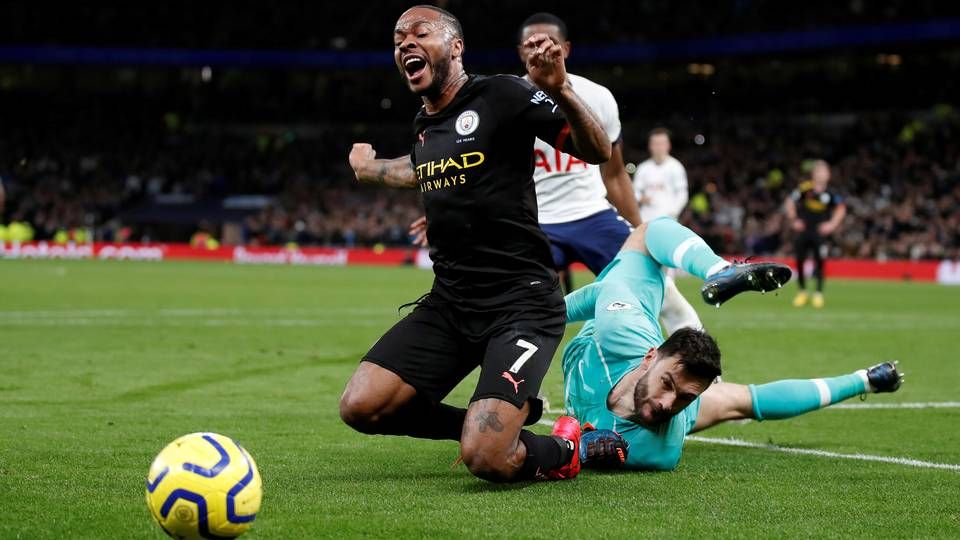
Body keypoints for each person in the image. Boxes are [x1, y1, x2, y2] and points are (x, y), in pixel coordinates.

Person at [341, 5, 616, 483]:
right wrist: (370, 170)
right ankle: (490, 426)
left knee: (487, 459)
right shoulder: (425, 126)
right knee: (361, 407)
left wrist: (560, 88)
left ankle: (569, 448)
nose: (405, 42)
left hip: (521, 302)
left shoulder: (502, 94)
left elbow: (597, 151)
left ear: (455, 46)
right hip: (451, 303)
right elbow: (420, 168)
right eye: (397, 38)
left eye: (419, 32)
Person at [562, 217, 903, 471]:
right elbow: (602, 292)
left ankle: (867, 379)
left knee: (743, 401)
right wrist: (542, 318)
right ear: (650, 358)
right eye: (668, 385)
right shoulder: (622, 328)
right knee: (647, 233)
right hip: (621, 322)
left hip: (634, 354)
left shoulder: (659, 447)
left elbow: (561, 454)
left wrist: (580, 452)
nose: (668, 403)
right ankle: (718, 269)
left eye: (685, 398)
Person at [518, 13, 639, 295]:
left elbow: (616, 174)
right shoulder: (505, 102)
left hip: (592, 214)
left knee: (653, 281)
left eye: (549, 44)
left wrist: (640, 231)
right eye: (531, 46)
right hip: (535, 220)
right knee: (525, 303)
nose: (540, 52)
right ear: (520, 52)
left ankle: (691, 340)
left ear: (566, 49)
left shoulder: (597, 96)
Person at [632, 127, 703, 331]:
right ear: (650, 146)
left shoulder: (675, 167)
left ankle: (666, 310)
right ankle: (648, 306)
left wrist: (671, 214)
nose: (658, 147)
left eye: (662, 143)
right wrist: (640, 198)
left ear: (668, 145)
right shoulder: (644, 168)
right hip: (645, 226)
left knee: (666, 271)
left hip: (666, 225)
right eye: (655, 144)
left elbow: (682, 195)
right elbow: (634, 192)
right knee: (645, 266)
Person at [784, 159, 846, 308]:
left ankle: (818, 294)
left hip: (820, 233)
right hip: (804, 231)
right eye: (819, 171)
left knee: (820, 262)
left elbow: (841, 208)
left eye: (824, 172)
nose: (822, 175)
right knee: (800, 260)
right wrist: (794, 220)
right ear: (814, 174)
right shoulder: (805, 189)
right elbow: (790, 201)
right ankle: (802, 292)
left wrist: (832, 224)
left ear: (828, 175)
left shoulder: (830, 193)